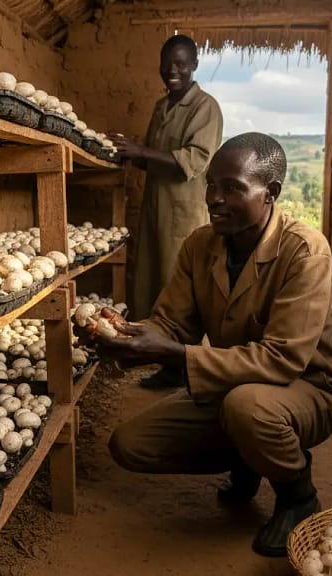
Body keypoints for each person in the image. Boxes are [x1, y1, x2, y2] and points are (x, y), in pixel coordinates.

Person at [87, 132, 332, 557]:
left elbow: (282, 361)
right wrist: (123, 335)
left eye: (232, 188)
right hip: (233, 389)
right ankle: (249, 457)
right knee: (131, 444)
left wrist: (172, 354)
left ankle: (298, 495)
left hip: (306, 390)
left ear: (271, 193)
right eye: (211, 184)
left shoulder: (305, 253)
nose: (214, 198)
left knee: (247, 408)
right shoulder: (200, 246)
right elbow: (172, 323)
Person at [111, 34, 223, 390]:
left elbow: (192, 162)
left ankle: (189, 369)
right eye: (167, 63)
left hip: (184, 215)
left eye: (181, 63)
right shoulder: (162, 108)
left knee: (182, 295)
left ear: (194, 66)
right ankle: (163, 363)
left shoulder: (206, 107)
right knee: (154, 287)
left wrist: (140, 152)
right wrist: (125, 153)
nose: (172, 71)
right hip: (156, 210)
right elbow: (152, 159)